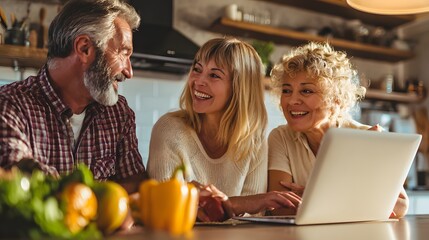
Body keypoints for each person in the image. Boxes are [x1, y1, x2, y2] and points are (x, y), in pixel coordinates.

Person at [0, 0, 146, 194]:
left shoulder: (119, 114)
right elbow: (19, 179)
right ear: (84, 48)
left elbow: (134, 185)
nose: (129, 71)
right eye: (123, 53)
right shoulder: (10, 106)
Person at [147, 37, 300, 221]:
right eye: (197, 69)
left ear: (239, 87)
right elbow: (167, 209)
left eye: (214, 75)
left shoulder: (254, 140)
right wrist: (238, 204)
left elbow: (253, 218)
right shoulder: (170, 129)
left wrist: (224, 204)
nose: (198, 81)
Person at [267, 41, 408, 218]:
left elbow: (400, 206)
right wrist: (354, 200)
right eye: (286, 90)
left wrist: (313, 197)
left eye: (307, 91)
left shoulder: (368, 137)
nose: (291, 101)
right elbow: (278, 209)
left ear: (337, 99)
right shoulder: (281, 137)